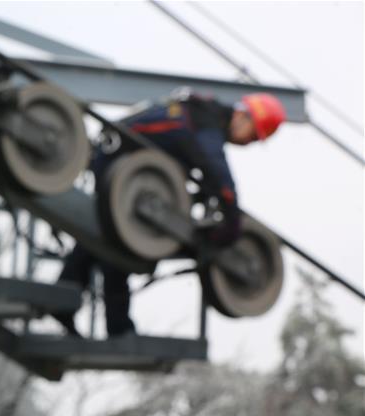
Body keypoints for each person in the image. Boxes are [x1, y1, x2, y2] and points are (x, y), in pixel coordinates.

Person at [54, 90, 286, 337]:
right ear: (243, 117)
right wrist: (231, 216)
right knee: (121, 239)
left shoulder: (205, 117)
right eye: (252, 136)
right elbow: (215, 167)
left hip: (125, 164)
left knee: (109, 234)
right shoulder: (207, 121)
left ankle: (64, 301)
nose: (247, 143)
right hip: (120, 163)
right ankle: (117, 327)